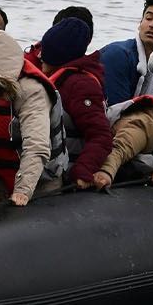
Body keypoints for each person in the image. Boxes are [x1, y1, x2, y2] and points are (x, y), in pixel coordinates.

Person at [0, 27, 67, 205]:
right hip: (0, 175)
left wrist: (23, 190)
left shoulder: (32, 91)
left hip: (40, 182)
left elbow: (36, 145)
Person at [33, 17, 112, 189]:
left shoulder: (80, 85)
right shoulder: (59, 78)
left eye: (45, 52)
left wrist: (82, 171)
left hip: (66, 171)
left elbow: (101, 136)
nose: (39, 56)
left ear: (58, 55)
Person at [96, 0, 153, 106]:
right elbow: (114, 109)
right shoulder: (118, 55)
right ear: (140, 23)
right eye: (148, 18)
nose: (152, 25)